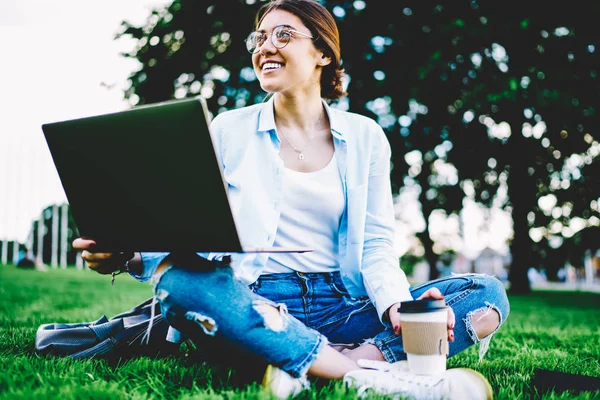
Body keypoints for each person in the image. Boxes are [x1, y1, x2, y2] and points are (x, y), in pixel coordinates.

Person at [73, 0, 510, 398]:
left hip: (341, 304)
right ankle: (367, 372)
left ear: (323, 53)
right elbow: (186, 230)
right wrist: (125, 256)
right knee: (180, 284)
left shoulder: (366, 137)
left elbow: (376, 243)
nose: (266, 46)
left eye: (283, 35)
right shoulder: (228, 129)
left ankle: (306, 363)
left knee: (485, 293)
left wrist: (397, 305)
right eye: (259, 37)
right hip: (253, 300)